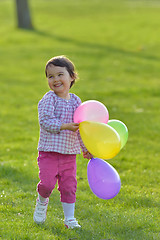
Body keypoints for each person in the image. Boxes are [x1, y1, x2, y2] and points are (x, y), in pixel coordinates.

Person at [33, 55, 92, 229]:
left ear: (72, 77)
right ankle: (42, 201)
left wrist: (85, 148)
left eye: (60, 74)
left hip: (69, 154)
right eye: (50, 76)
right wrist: (65, 126)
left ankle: (69, 219)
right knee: (47, 184)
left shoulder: (76, 101)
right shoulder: (48, 99)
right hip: (49, 152)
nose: (55, 79)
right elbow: (45, 121)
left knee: (69, 186)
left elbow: (81, 127)